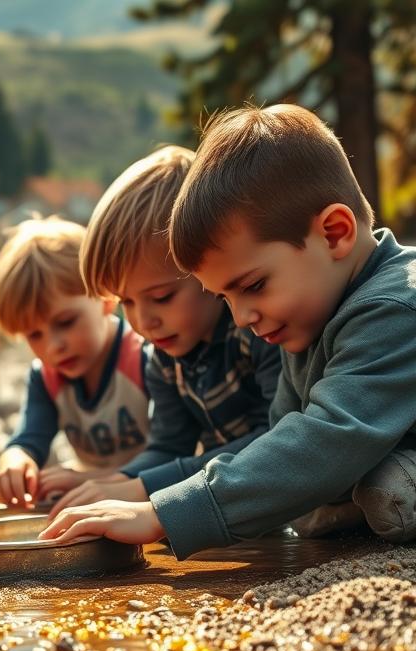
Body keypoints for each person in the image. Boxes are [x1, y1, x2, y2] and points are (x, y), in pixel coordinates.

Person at [41, 103, 416, 555]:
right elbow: (280, 442)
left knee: (387, 488)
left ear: (334, 233)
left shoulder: (393, 306)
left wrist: (160, 513)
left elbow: (331, 436)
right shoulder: (302, 318)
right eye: (224, 298)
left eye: (253, 285)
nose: (241, 318)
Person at [48, 145, 281, 516]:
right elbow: (170, 446)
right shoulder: (166, 357)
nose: (142, 321)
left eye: (162, 296)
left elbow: (276, 438)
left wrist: (141, 488)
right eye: (126, 302)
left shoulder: (257, 330)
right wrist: (111, 482)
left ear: (207, 271)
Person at [0, 217, 150, 507]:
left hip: (153, 498)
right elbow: (30, 437)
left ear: (105, 297)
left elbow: (174, 455)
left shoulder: (144, 358)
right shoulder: (46, 377)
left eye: (66, 322)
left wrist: (87, 479)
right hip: (96, 500)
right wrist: (15, 459)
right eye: (34, 334)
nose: (53, 346)